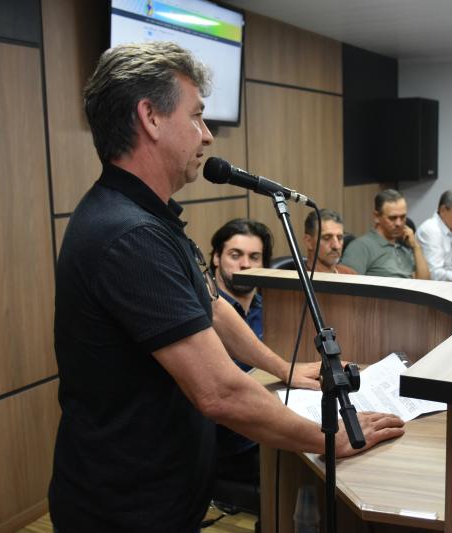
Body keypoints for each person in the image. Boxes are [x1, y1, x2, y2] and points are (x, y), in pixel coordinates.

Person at [49, 41, 404, 532]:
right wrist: (330, 437)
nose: (208, 135)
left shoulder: (146, 216)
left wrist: (284, 368)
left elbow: (212, 307)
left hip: (157, 493)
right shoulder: (130, 236)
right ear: (150, 118)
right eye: (197, 116)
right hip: (125, 508)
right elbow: (219, 392)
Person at [210, 218, 273, 371]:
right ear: (217, 257)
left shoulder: (272, 311)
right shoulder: (203, 310)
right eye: (235, 255)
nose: (245, 264)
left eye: (254, 257)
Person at [340, 189, 430, 279]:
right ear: (376, 217)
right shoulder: (361, 246)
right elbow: (347, 284)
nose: (399, 223)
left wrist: (416, 247)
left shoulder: (405, 245)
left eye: (403, 217)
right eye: (392, 218)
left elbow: (425, 283)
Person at [303, 209, 356, 274]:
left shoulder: (350, 274)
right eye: (327, 238)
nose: (336, 246)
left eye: (339, 238)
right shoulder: (296, 277)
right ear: (308, 241)